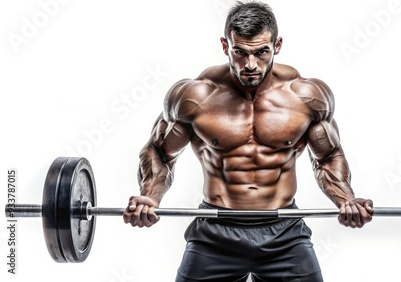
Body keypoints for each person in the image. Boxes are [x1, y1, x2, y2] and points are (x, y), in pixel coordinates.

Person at [123, 1, 373, 281]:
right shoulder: (194, 97)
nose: (250, 64)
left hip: (285, 232)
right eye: (239, 52)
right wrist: (150, 197)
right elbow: (159, 152)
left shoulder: (306, 96)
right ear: (224, 45)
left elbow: (327, 157)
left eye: (261, 52)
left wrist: (347, 200)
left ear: (277, 45)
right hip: (215, 233)